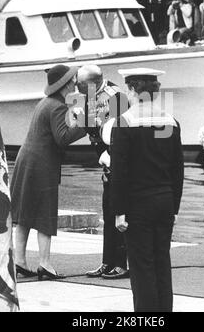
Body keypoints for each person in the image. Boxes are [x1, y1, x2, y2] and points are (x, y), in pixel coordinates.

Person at [110, 68, 184, 312]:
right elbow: (177, 170)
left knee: (142, 266)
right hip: (164, 201)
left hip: (137, 204)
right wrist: (174, 205)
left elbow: (119, 172)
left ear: (131, 90)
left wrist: (118, 210)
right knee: (162, 261)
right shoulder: (169, 121)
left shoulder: (125, 122)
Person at [11, 65, 86, 280]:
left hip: (27, 160)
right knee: (44, 213)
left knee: (25, 215)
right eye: (72, 80)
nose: (75, 82)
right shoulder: (58, 107)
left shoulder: (46, 103)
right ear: (66, 84)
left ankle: (20, 261)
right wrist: (86, 125)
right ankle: (44, 264)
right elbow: (62, 138)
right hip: (42, 165)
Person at [76, 65, 129, 280]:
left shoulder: (116, 97)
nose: (75, 86)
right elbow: (95, 131)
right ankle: (107, 261)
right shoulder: (88, 96)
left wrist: (110, 152)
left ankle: (121, 263)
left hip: (117, 158)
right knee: (108, 212)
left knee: (119, 211)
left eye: (79, 83)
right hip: (104, 158)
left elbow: (122, 131)